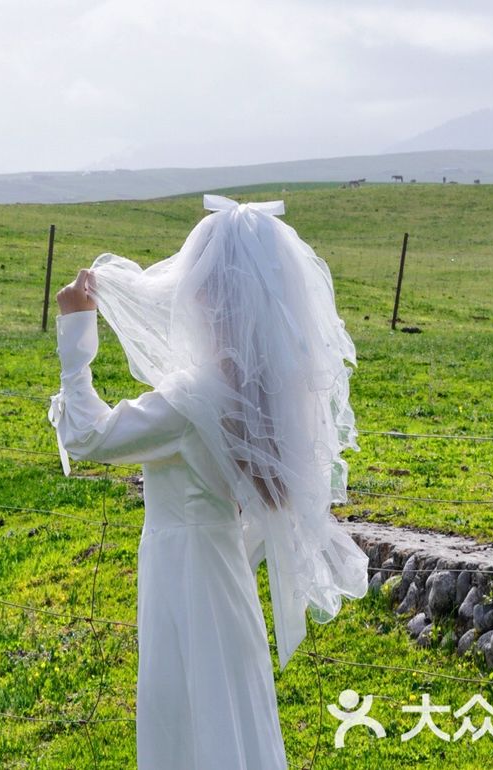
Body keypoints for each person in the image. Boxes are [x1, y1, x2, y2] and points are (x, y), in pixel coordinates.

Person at [48, 195, 368, 769]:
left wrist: (76, 336)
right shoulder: (254, 393)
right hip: (222, 570)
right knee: (228, 710)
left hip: (186, 573)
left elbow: (90, 436)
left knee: (189, 714)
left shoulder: (192, 397)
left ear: (208, 298)